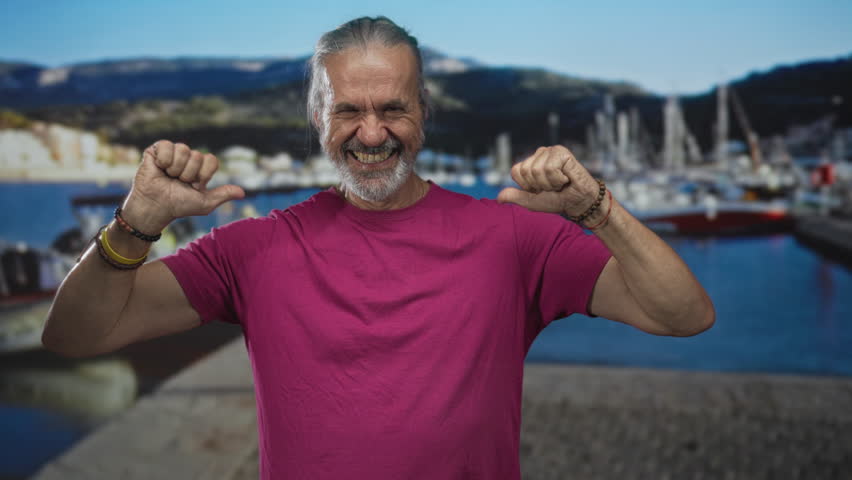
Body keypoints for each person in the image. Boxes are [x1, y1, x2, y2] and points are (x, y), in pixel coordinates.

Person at [43, 16, 714, 480]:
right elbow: (74, 335)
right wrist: (134, 224)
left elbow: (683, 314)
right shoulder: (252, 250)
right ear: (318, 118)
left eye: (393, 108)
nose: (372, 133)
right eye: (348, 110)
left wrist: (597, 209)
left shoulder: (512, 239)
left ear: (423, 112)